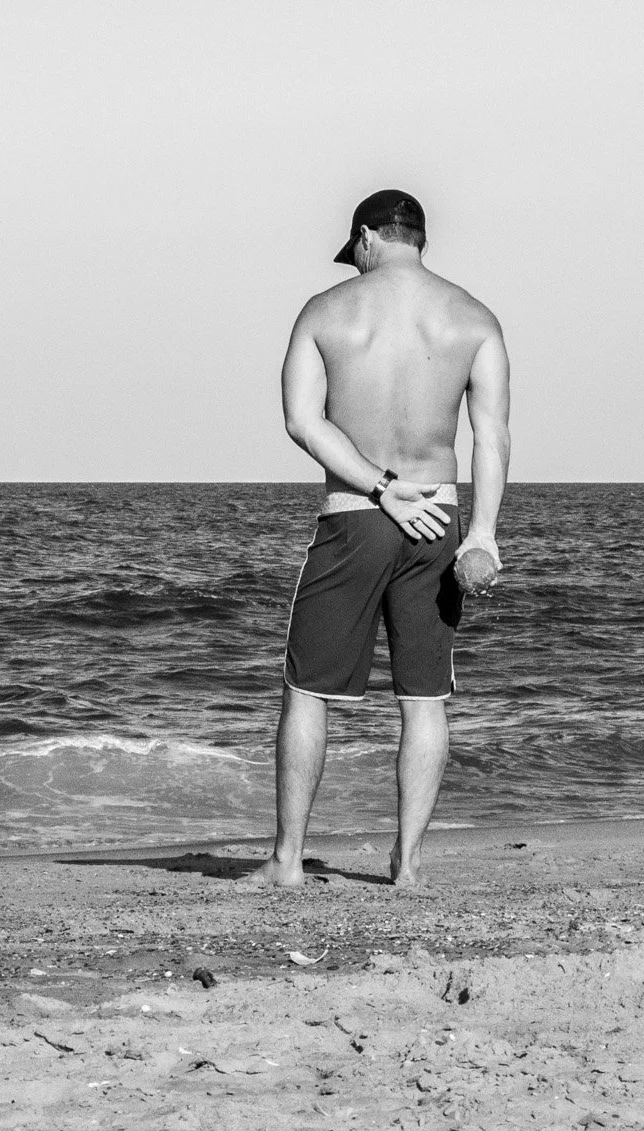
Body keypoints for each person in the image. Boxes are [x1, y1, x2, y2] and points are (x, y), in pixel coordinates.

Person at [254, 190, 510, 888]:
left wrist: (378, 486)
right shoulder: (475, 318)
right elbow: (491, 436)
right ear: (419, 239)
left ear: (368, 237)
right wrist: (482, 534)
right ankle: (407, 866)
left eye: (355, 251)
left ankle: (287, 861)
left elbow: (302, 422)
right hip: (438, 518)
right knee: (424, 699)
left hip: (356, 514)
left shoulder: (325, 311)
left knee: (306, 691)